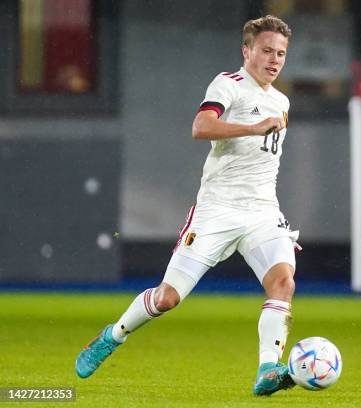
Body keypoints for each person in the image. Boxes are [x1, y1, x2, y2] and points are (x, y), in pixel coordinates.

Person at [75, 15, 300, 396]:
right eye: (266, 51)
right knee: (168, 297)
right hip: (217, 210)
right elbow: (201, 127)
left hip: (262, 211)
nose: (274, 60)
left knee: (282, 283)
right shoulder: (228, 85)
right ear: (247, 51)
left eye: (280, 53)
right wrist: (251, 127)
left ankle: (267, 370)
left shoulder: (281, 101)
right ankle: (112, 336)